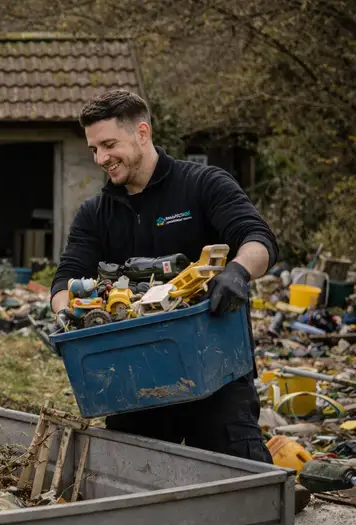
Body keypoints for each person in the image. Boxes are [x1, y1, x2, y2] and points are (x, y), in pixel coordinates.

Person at [51, 89, 277, 464]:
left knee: (240, 481)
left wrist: (237, 272)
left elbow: (258, 238)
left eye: (109, 145)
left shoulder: (203, 184)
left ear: (142, 133)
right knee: (136, 483)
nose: (101, 158)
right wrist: (64, 314)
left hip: (216, 374)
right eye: (94, 149)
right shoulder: (95, 214)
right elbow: (67, 278)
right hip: (134, 382)